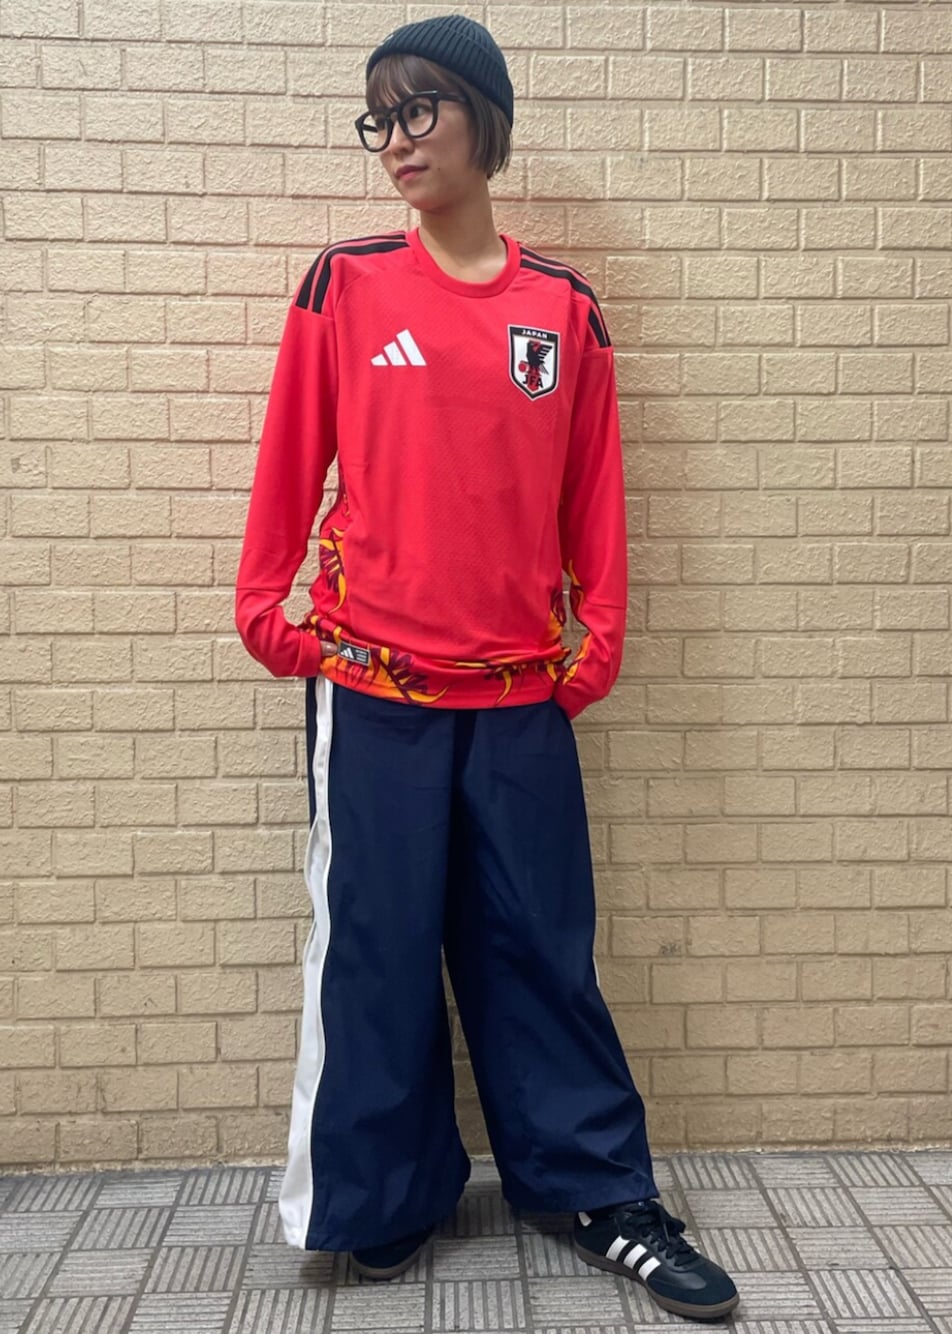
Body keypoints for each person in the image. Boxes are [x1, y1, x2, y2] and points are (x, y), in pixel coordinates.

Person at [235, 14, 738, 1324]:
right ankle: (384, 1194)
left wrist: (597, 641)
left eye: (420, 110)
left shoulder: (562, 309)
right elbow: (291, 459)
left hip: (519, 699)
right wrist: (268, 611)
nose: (396, 141)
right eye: (379, 118)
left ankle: (595, 1190)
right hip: (376, 698)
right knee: (379, 953)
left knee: (540, 950)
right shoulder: (344, 288)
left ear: (484, 118)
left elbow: (594, 495)